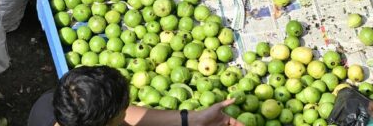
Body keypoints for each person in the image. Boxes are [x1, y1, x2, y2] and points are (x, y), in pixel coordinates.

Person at [28, 65, 244, 126]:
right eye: (122, 110)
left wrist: (194, 119)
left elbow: (117, 112)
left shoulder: (56, 104)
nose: (126, 112)